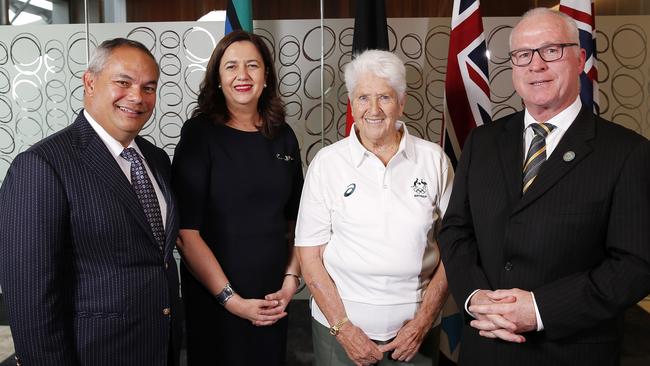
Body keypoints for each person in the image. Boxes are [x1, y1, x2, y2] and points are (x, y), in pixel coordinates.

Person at [439, 8, 650, 366]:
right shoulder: (482, 142)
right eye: (523, 55)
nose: (535, 65)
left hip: (571, 352)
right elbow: (456, 231)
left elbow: (636, 265)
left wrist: (539, 309)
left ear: (580, 58)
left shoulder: (628, 153)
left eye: (551, 50)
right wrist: (475, 297)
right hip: (485, 348)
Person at [0, 38, 181, 366]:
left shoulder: (156, 159)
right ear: (90, 82)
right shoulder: (42, 165)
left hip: (159, 348)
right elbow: (30, 300)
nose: (137, 97)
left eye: (148, 87)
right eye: (123, 82)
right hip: (93, 354)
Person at [295, 49, 453, 366]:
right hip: (337, 332)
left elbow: (455, 247)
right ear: (352, 104)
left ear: (402, 102)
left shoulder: (434, 159)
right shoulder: (328, 163)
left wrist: (423, 322)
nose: (374, 109)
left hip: (415, 334)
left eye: (385, 97)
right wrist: (343, 329)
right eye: (363, 98)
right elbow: (309, 256)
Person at [171, 30, 304, 366]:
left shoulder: (283, 136)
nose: (242, 76)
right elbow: (187, 235)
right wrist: (232, 301)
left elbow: (298, 221)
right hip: (218, 301)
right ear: (217, 78)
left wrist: (291, 281)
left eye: (252, 66)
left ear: (267, 75)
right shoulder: (199, 134)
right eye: (231, 67)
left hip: (273, 299)